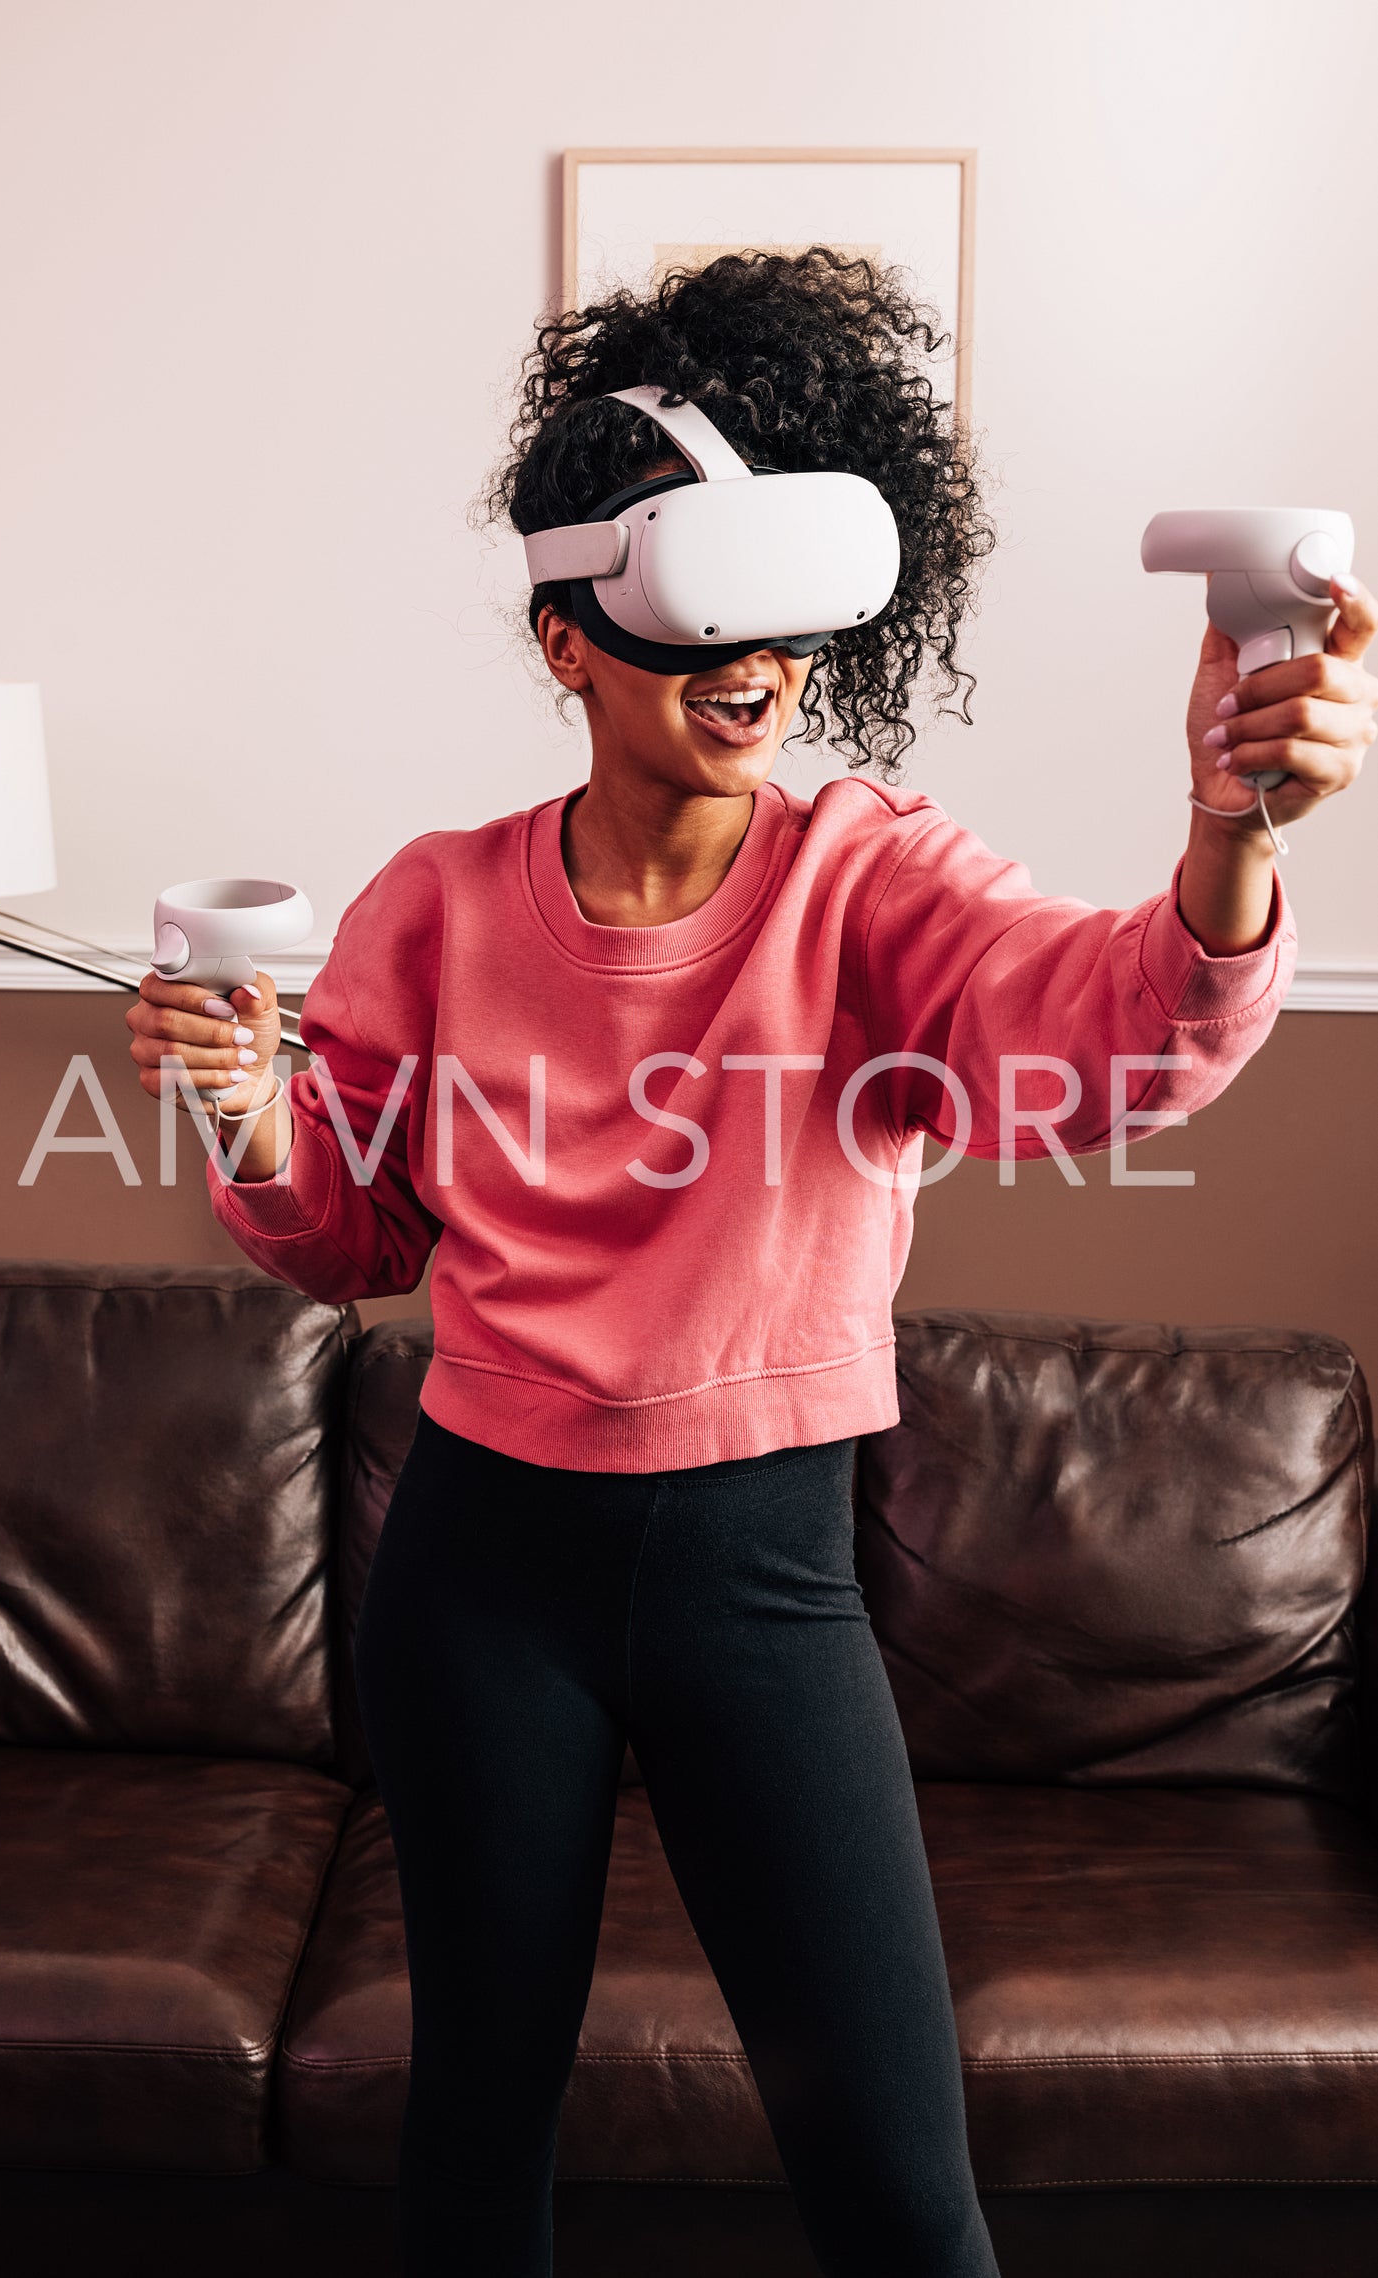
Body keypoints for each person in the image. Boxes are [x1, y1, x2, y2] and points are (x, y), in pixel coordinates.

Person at [126, 250, 1375, 2278]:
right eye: (707, 622)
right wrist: (251, 1109)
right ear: (564, 633)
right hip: (482, 1574)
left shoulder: (868, 879)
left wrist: (1230, 829)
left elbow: (1107, 1036)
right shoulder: (432, 906)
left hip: (763, 1581)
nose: (764, 669)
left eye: (792, 633)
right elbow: (345, 1237)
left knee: (896, 2186)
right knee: (476, 2134)